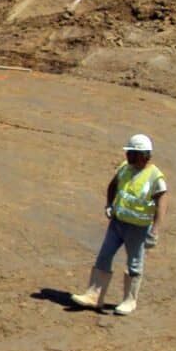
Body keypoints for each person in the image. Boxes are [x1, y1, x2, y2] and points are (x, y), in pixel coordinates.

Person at [70, 134, 168, 316]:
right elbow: (112, 186)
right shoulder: (125, 168)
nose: (127, 156)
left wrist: (155, 230)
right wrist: (109, 205)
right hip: (117, 223)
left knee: (134, 263)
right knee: (104, 256)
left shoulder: (155, 177)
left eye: (131, 153)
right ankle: (94, 295)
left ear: (143, 155)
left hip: (138, 228)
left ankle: (129, 300)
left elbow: (162, 202)